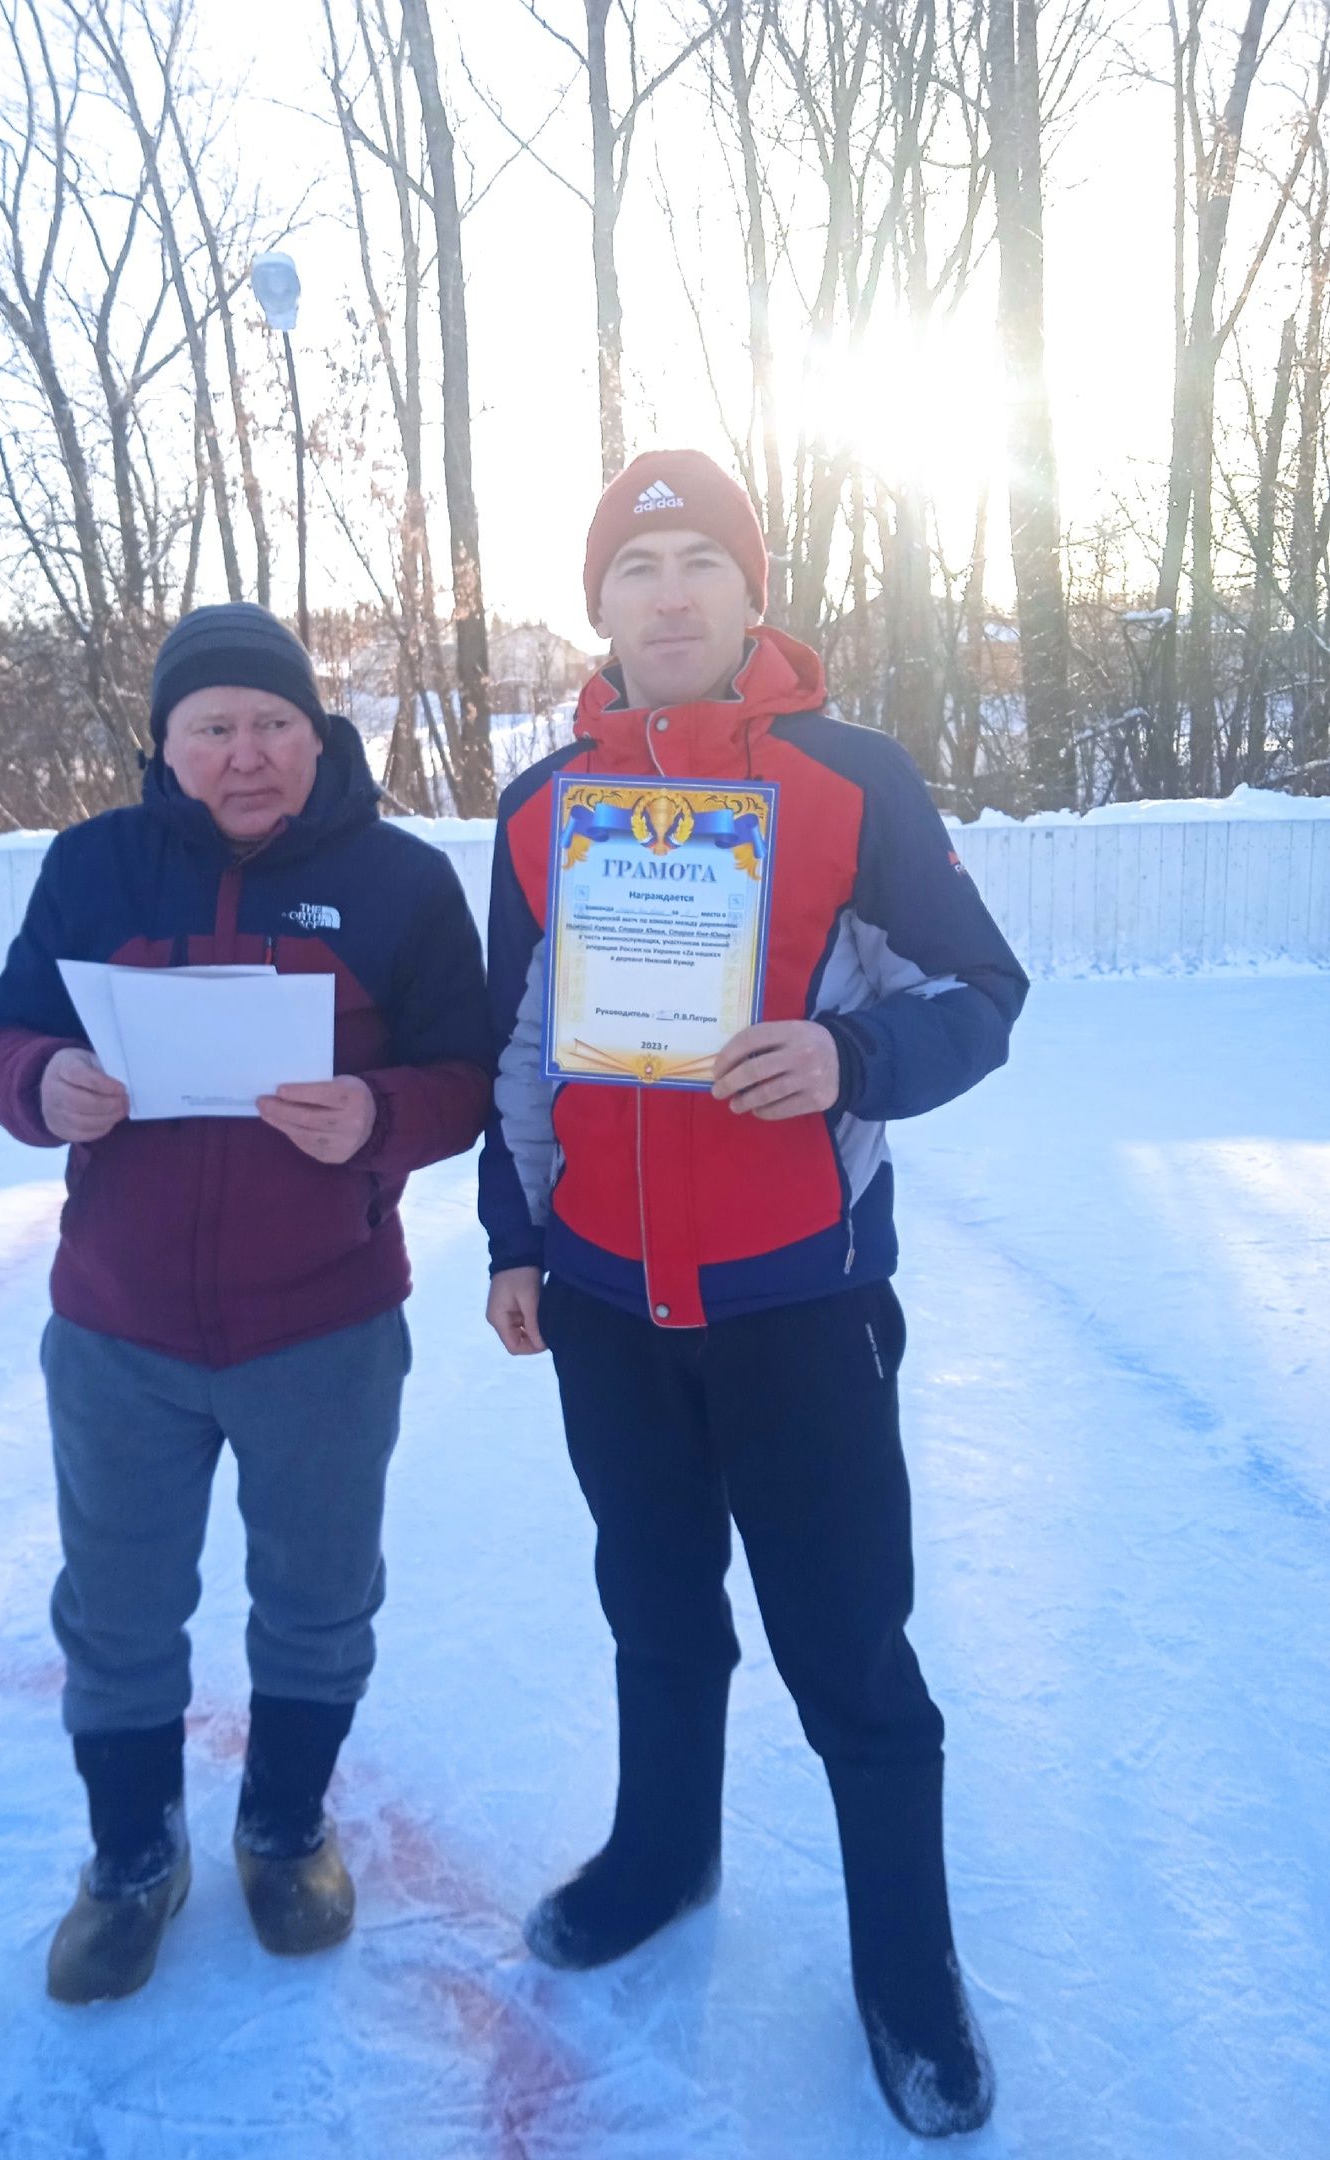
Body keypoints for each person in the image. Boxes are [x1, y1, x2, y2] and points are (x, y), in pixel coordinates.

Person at [479, 450, 1027, 2138]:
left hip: (802, 1304)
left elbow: (983, 989)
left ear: (749, 594)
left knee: (851, 1646)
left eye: (698, 560)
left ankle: (908, 1969)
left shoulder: (852, 784)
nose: (667, 595)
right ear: (601, 607)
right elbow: (513, 1037)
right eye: (635, 567)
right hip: (603, 1310)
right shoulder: (538, 804)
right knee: (654, 1607)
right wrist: (517, 1234)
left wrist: (849, 1051)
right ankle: (665, 1851)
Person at [0, 603, 490, 2003]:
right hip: (118, 1331)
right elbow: (6, 1028)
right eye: (212, 729)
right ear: (165, 744)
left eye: (272, 724)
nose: (246, 755)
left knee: (318, 1601)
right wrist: (43, 1084)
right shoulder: (94, 868)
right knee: (121, 1611)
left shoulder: (397, 884)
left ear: (315, 735)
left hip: (319, 1327)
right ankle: (134, 1857)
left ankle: (283, 1826)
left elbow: (468, 1069)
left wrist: (377, 1114)